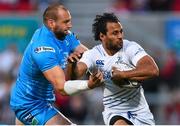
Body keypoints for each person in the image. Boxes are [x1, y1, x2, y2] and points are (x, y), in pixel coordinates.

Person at [10, 4, 104, 125]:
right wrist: (89, 84)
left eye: (69, 21)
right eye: (65, 22)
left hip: (44, 102)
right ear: (51, 23)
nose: (69, 25)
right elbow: (61, 88)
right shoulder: (43, 49)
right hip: (29, 105)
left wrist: (109, 66)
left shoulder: (65, 35)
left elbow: (87, 54)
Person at [69, 13, 159, 125]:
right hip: (115, 111)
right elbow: (75, 74)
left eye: (121, 31)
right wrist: (72, 64)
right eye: (115, 33)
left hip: (141, 112)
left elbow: (153, 70)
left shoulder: (130, 47)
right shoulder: (93, 54)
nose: (120, 36)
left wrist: (124, 74)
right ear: (102, 36)